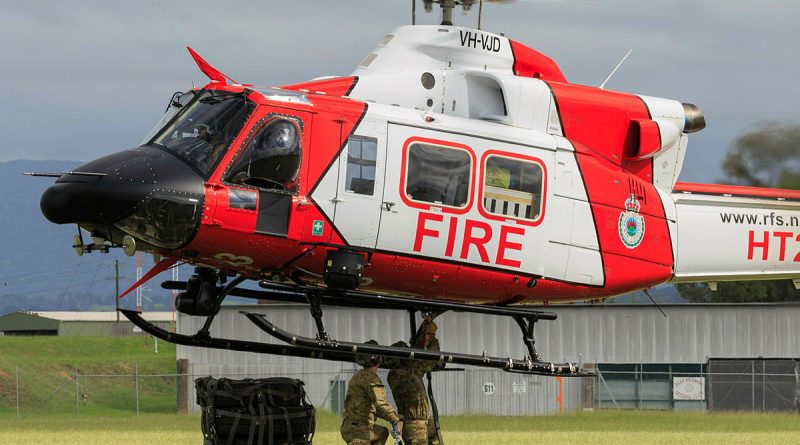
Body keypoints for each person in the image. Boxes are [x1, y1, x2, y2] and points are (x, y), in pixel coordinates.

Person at [387, 317, 441, 445]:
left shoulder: (392, 376)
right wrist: (432, 338)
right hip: (417, 426)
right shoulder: (409, 372)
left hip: (409, 424)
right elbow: (431, 358)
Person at [341, 342, 400, 445]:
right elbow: (381, 404)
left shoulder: (358, 375)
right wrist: (395, 419)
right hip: (360, 430)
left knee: (382, 432)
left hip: (352, 426)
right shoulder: (371, 378)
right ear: (377, 358)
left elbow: (375, 407)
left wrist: (391, 417)